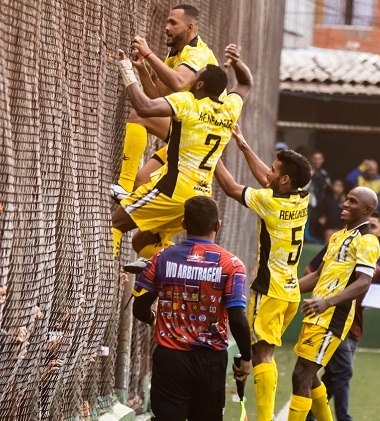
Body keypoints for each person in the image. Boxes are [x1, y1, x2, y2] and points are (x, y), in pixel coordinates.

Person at [111, 43, 252, 260]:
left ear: (200, 84)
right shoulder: (230, 109)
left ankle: (101, 284)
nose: (192, 78)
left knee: (116, 223)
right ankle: (157, 270)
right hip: (200, 198)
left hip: (173, 190)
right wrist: (237, 63)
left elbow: (145, 108)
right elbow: (245, 83)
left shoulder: (189, 102)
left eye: (196, 76)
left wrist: (126, 69)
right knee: (142, 241)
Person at [214, 125, 312, 421]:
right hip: (290, 291)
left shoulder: (269, 202)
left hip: (270, 290)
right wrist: (243, 145)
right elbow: (269, 181)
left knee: (262, 354)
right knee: (262, 353)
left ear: (284, 178)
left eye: (274, 169)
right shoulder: (300, 197)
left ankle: (265, 418)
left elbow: (232, 188)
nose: (268, 173)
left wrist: (211, 153)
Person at [131, 196, 252, 421]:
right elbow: (237, 317)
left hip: (169, 359)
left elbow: (139, 308)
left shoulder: (162, 258)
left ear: (184, 224)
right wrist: (246, 356)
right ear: (218, 225)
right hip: (210, 361)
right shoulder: (231, 265)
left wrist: (154, 318)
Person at [287, 186, 380, 421]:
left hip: (333, 317)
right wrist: (284, 289)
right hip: (317, 313)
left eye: (352, 201)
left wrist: (328, 302)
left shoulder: (368, 241)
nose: (345, 204)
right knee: (311, 375)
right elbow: (318, 275)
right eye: (346, 199)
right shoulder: (338, 236)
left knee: (301, 375)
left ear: (367, 210)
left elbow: (364, 282)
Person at [110, 4, 219, 201]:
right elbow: (156, 96)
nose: (166, 27)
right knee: (140, 183)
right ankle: (130, 194)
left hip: (197, 131)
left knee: (139, 115)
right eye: (167, 21)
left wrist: (149, 54)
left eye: (173, 23)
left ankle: (123, 185)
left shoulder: (197, 53)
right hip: (188, 138)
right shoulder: (175, 54)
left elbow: (178, 82)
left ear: (190, 27)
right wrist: (142, 68)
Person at [305, 212, 380, 421]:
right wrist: (323, 296)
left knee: (333, 375)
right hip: (333, 315)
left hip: (355, 321)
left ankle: (310, 415)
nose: (371, 229)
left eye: (375, 226)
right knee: (341, 370)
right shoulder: (342, 242)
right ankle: (343, 417)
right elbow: (313, 270)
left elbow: (371, 291)